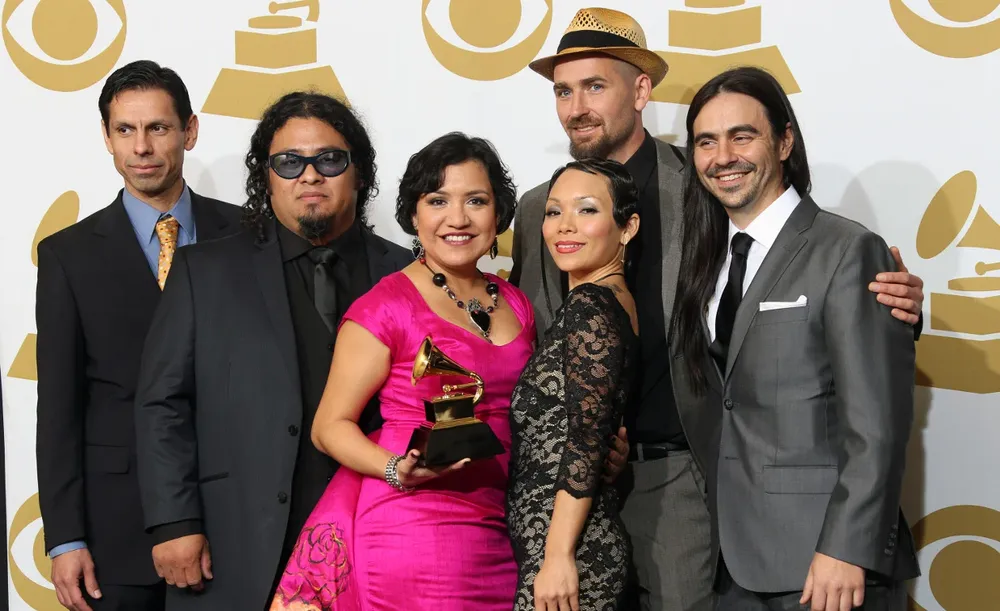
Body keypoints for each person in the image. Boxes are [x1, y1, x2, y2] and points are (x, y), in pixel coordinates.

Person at [509, 7, 927, 610]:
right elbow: (540, 339)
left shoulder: (704, 188)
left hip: (688, 477)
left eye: (596, 86)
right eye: (563, 91)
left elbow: (805, 286)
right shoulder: (536, 207)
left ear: (642, 90)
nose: (578, 107)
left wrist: (900, 310)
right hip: (575, 481)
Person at [133, 92, 411, 611]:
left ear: (359, 172)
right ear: (267, 176)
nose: (310, 176)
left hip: (378, 541)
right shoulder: (204, 271)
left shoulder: (406, 273)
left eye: (330, 159)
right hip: (235, 545)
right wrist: (174, 522)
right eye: (289, 162)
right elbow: (161, 405)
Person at [672, 66, 920, 611]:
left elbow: (877, 422)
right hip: (732, 560)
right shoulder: (703, 260)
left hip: (825, 565)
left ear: (784, 141)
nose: (723, 156)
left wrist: (846, 548)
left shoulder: (848, 250)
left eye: (743, 136)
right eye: (706, 142)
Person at [270, 132, 533, 610]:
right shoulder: (386, 306)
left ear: (499, 214)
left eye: (476, 200)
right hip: (412, 530)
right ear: (414, 216)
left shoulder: (515, 300)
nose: (457, 218)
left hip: (501, 527)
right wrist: (397, 471)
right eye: (438, 201)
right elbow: (329, 427)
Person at [35, 60, 241, 611]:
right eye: (125, 130)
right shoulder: (67, 255)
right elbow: (58, 408)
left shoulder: (250, 235)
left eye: (158, 128)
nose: (142, 147)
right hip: (114, 533)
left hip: (237, 515)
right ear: (106, 137)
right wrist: (66, 537)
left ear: (189, 131)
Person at [507, 158, 640, 611]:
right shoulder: (611, 299)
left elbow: (584, 441)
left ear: (628, 227)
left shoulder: (590, 306)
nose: (565, 226)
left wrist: (558, 556)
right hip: (562, 551)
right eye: (553, 211)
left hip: (571, 557)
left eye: (586, 210)